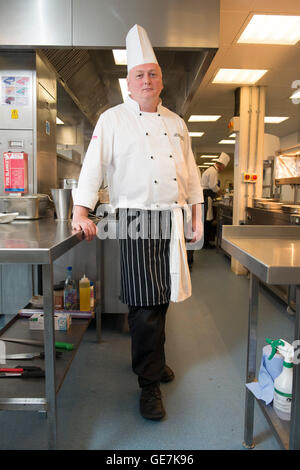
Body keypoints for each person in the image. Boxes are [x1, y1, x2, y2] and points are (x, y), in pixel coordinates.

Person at [71, 24, 203, 421]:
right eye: (139, 74)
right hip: (134, 219)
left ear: (161, 81)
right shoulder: (111, 119)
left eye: (153, 73)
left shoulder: (177, 123)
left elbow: (191, 174)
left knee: (162, 298)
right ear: (128, 83)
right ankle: (148, 384)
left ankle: (154, 360)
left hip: (170, 219)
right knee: (144, 306)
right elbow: (92, 165)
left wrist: (196, 214)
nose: (147, 80)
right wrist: (81, 209)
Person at [201, 152, 230, 248]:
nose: (222, 170)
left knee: (207, 220)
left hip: (206, 197)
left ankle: (205, 242)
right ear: (221, 165)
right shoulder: (213, 171)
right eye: (223, 167)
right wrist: (221, 193)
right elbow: (213, 186)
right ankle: (205, 243)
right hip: (207, 197)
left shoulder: (211, 170)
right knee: (207, 220)